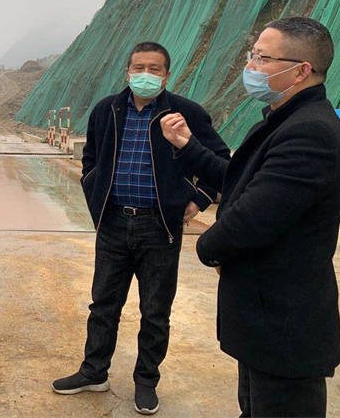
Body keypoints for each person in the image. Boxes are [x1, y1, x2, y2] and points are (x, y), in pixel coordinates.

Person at [160, 16, 340, 417]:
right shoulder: (285, 120)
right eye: (252, 55)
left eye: (262, 58)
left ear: (300, 71)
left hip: (284, 326)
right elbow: (240, 180)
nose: (250, 66)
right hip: (264, 323)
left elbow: (253, 218)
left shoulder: (309, 132)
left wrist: (209, 248)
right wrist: (188, 146)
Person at [52, 42, 230, 415]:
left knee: (155, 311)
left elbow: (220, 161)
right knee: (103, 304)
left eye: (154, 68)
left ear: (166, 75)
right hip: (114, 223)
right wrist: (94, 189)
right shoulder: (106, 110)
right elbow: (90, 159)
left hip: (159, 226)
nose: (145, 74)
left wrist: (199, 199)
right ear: (127, 71)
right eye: (139, 67)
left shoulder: (185, 113)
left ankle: (146, 381)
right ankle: (94, 371)